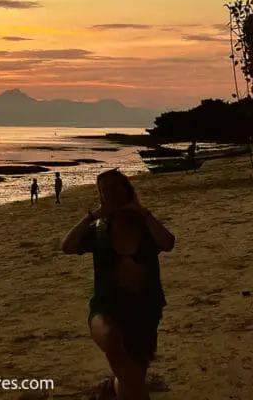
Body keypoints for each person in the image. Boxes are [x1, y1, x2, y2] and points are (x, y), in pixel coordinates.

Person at [62, 169, 175, 400]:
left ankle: (110, 391)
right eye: (104, 191)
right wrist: (93, 215)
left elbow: (167, 242)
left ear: (126, 189)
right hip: (106, 307)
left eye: (115, 188)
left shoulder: (145, 226)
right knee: (113, 342)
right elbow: (67, 245)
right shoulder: (100, 229)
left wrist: (142, 212)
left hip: (144, 310)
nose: (110, 194)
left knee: (131, 378)